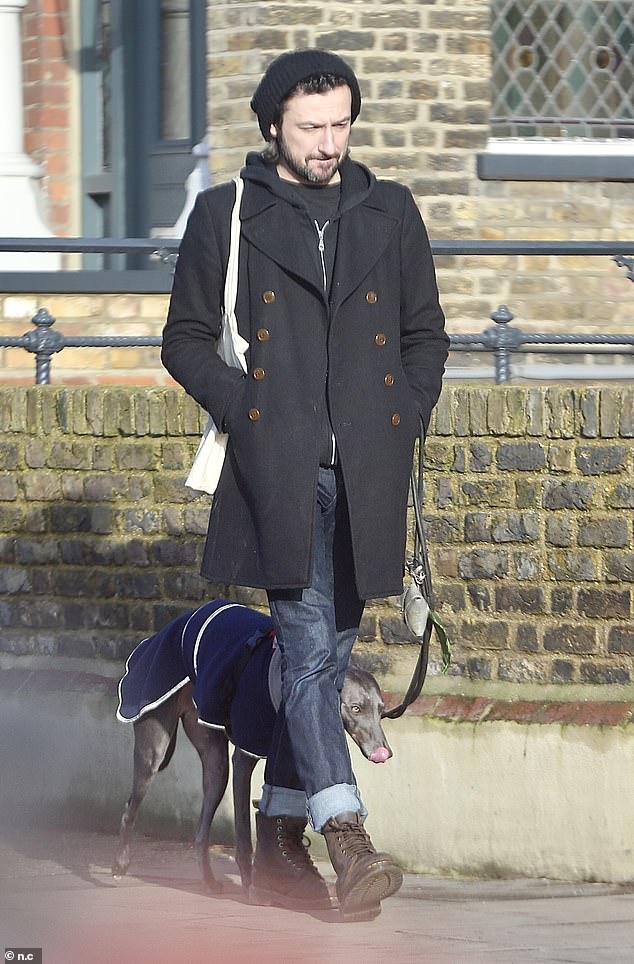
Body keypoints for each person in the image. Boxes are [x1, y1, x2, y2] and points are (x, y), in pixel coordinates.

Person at [161, 48, 449, 920]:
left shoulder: (390, 210)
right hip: (277, 470)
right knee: (305, 643)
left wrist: (403, 413)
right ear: (272, 128)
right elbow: (183, 339)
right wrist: (246, 408)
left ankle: (280, 841)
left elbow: (424, 336)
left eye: (341, 125)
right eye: (310, 126)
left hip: (367, 472)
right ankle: (345, 833)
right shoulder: (227, 214)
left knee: (319, 658)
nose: (329, 142)